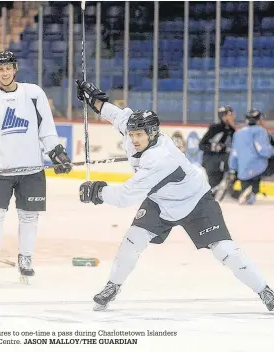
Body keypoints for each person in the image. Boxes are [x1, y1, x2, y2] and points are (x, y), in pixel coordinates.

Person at [75, 79, 273, 312]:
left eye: (138, 134)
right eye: (131, 134)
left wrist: (97, 191)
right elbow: (117, 116)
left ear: (151, 133)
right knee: (132, 241)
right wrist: (96, 103)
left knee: (225, 251)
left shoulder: (160, 160)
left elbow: (125, 197)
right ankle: (112, 286)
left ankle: (264, 291)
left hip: (196, 203)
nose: (133, 139)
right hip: (160, 202)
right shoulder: (135, 134)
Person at [0, 50, 72, 285]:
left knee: (29, 217)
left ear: (15, 69)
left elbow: (47, 129)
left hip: (31, 170)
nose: (4, 73)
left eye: (8, 68)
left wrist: (57, 152)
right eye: (0, 69)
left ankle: (26, 260)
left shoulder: (34, 94)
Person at [225, 109, 274, 204]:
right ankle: (250, 193)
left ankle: (239, 193)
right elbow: (264, 151)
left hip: (243, 170)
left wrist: (233, 169)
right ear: (258, 120)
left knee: (248, 188)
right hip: (258, 167)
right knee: (256, 180)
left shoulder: (238, 133)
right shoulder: (260, 131)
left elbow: (234, 154)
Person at [199, 106, 236, 194]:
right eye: (231, 114)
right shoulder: (216, 128)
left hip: (222, 162)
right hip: (212, 163)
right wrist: (216, 147)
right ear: (225, 116)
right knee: (214, 188)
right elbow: (202, 145)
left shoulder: (231, 130)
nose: (233, 116)